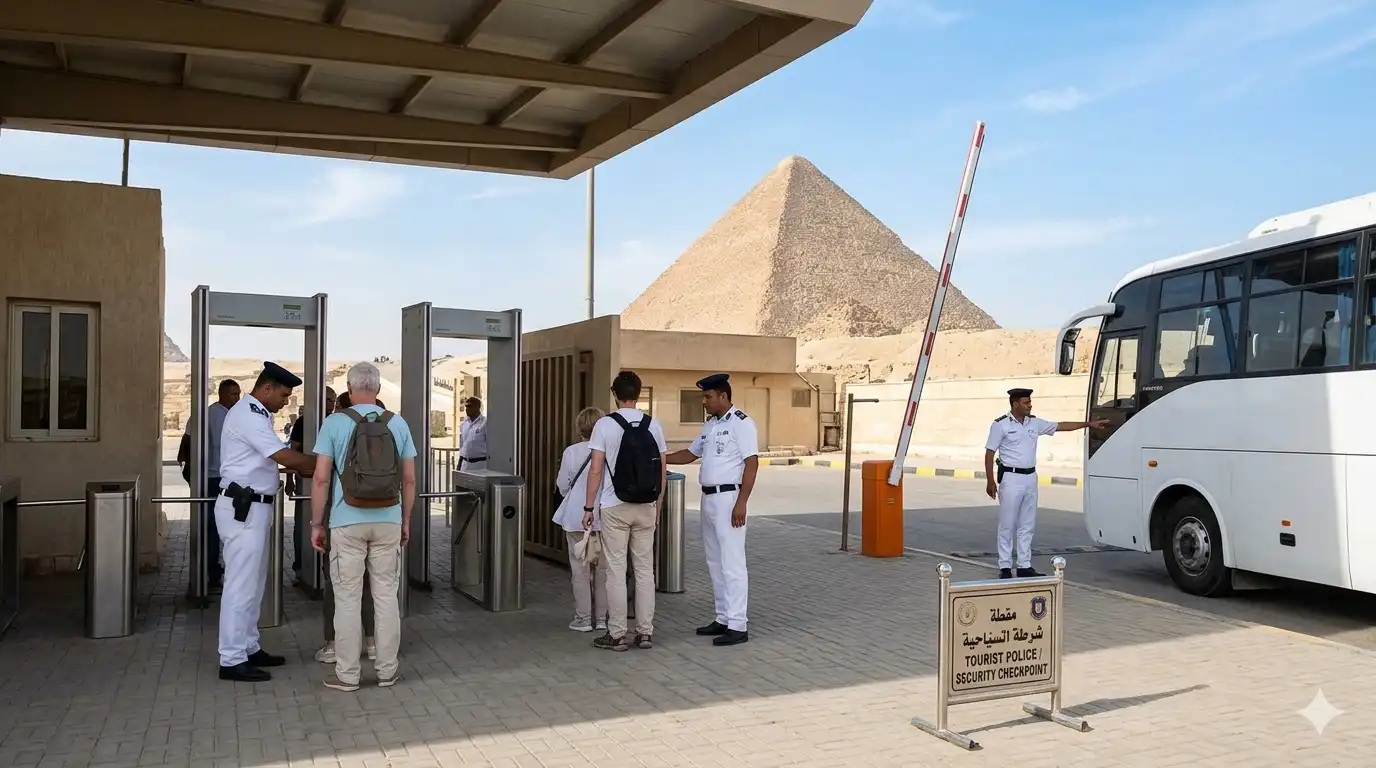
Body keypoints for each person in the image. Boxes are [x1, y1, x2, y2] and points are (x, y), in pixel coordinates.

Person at [310, 362, 417, 691]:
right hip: (388, 519)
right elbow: (410, 478)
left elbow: (321, 478)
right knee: (386, 597)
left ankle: (347, 675)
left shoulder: (334, 423)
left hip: (346, 522)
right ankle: (387, 671)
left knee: (347, 599)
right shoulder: (397, 424)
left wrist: (317, 524)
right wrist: (406, 520)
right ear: (379, 388)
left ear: (349, 387)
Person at [215, 362, 317, 682]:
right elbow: (284, 457)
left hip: (254, 508)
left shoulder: (258, 414)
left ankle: (248, 646)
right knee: (240, 585)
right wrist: (327, 465)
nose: (287, 400)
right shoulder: (248, 414)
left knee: (254, 583)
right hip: (243, 508)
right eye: (285, 394)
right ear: (267, 388)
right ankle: (231, 659)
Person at [665, 373, 758, 647]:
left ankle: (738, 624)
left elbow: (751, 464)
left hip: (730, 499)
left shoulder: (742, 423)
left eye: (707, 397)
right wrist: (658, 457)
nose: (704, 402)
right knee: (715, 561)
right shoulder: (711, 426)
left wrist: (742, 502)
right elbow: (690, 454)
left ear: (723, 396)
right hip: (709, 499)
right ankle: (723, 617)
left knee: (732, 563)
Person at [582, 371, 666, 652]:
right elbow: (661, 471)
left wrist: (588, 507)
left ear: (614, 394)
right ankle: (645, 633)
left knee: (616, 571)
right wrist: (658, 505)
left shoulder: (604, 425)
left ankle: (617, 634)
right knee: (644, 571)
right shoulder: (654, 425)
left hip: (614, 505)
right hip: (646, 506)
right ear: (639, 393)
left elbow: (595, 470)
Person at [984, 388, 1107, 579]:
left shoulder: (1034, 423)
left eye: (1030, 402)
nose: (1029, 405)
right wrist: (990, 480)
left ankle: (1024, 565)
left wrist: (1089, 424)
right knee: (1007, 524)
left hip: (1030, 478)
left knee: (1027, 524)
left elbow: (1060, 426)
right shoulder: (1000, 425)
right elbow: (990, 452)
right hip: (1011, 478)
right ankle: (1005, 567)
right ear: (1015, 404)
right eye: (1026, 402)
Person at [178, 379, 240, 591]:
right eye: (233, 394)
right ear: (222, 394)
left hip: (223, 478)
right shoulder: (211, 415)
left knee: (218, 527)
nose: (236, 398)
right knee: (213, 528)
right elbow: (187, 447)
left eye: (238, 394)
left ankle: (214, 570)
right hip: (213, 479)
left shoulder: (224, 415)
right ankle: (212, 572)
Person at [553, 406, 608, 633]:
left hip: (576, 517)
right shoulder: (610, 452)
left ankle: (583, 619)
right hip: (605, 516)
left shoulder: (572, 452)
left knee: (580, 571)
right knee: (604, 571)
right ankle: (604, 619)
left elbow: (562, 485)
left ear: (580, 428)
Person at [289, 387, 337, 581]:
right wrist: (292, 478)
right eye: (327, 399)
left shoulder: (337, 422)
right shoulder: (303, 422)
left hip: (333, 483)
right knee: (302, 524)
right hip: (307, 481)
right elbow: (294, 450)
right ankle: (302, 569)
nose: (330, 404)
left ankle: (327, 571)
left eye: (332, 400)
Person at [458, 397, 487, 471]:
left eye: (469, 406)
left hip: (480, 465)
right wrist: (459, 465)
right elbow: (462, 446)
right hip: (465, 465)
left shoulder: (485, 423)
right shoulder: (464, 424)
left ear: (478, 407)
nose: (466, 409)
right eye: (466, 406)